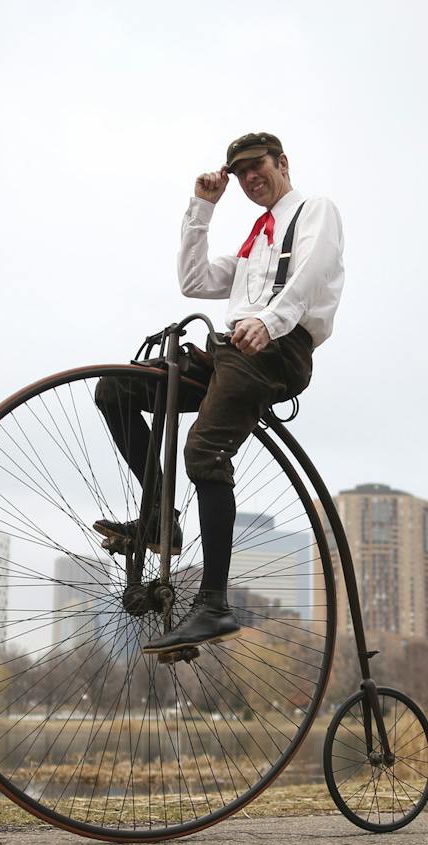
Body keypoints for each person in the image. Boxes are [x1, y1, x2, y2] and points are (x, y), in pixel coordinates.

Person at [93, 131, 345, 653]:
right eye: (241, 173)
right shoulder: (255, 245)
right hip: (232, 349)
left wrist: (271, 322)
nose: (251, 179)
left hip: (277, 348)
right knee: (117, 389)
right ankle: (160, 516)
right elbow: (193, 280)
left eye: (259, 167)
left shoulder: (314, 210)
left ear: (283, 163)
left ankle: (214, 605)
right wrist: (202, 209)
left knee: (204, 449)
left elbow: (314, 271)